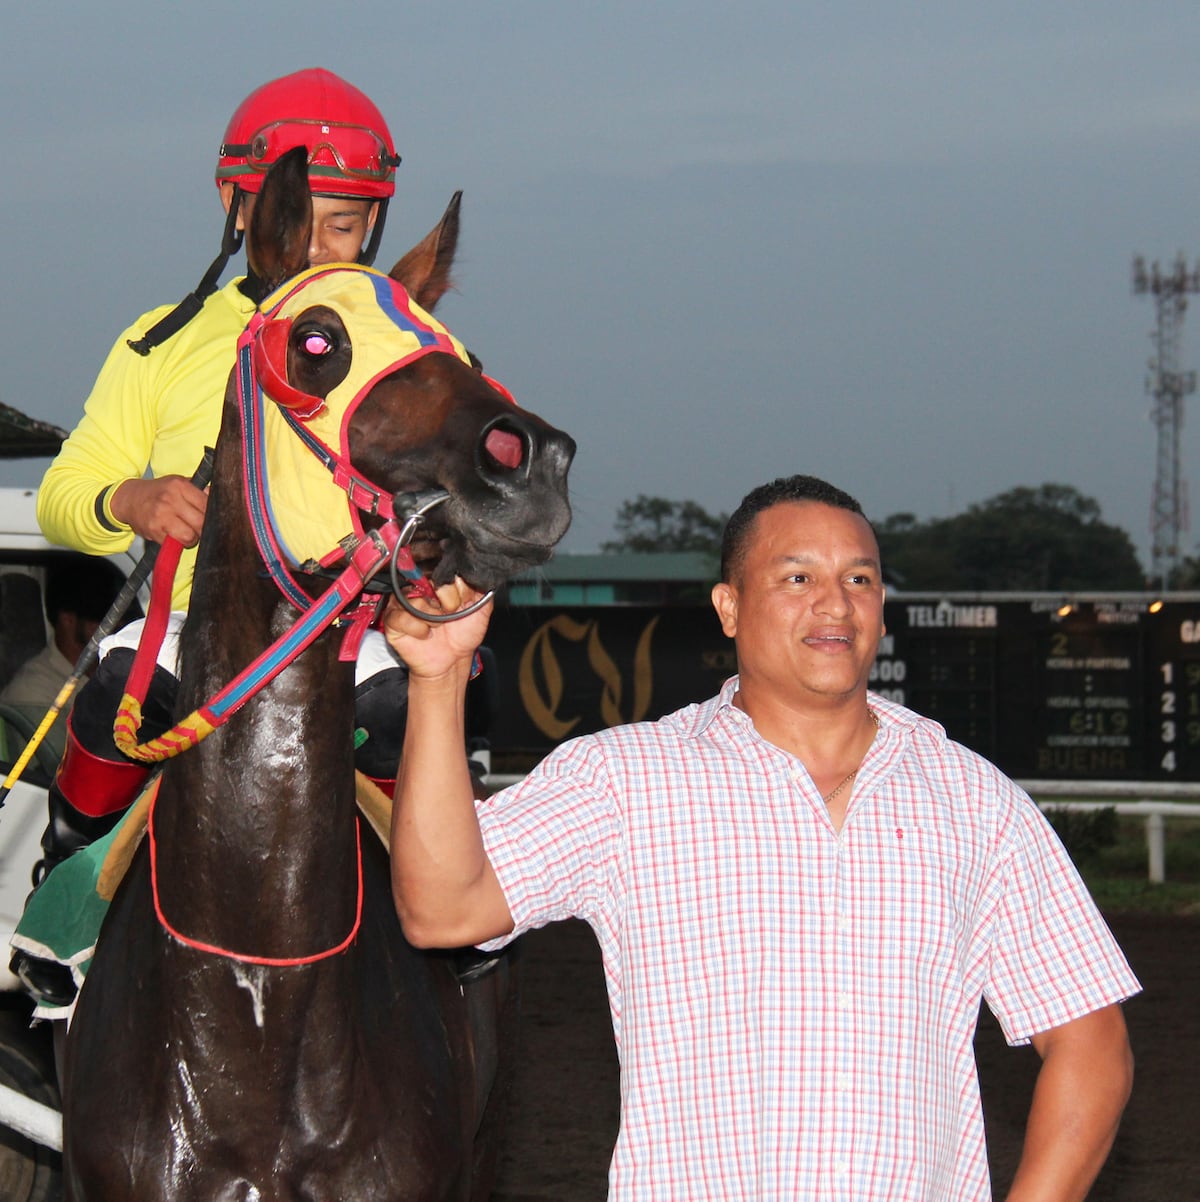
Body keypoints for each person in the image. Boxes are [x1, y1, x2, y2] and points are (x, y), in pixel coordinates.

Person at [384, 473, 1141, 1202]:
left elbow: (1091, 1042)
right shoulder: (626, 780)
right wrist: (440, 679)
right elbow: (445, 910)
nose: (835, 604)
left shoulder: (975, 800)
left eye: (860, 580)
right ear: (730, 606)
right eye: (798, 578)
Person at [13, 68, 414, 1005]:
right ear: (238, 207)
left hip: (340, 633)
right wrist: (133, 499)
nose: (316, 244)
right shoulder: (157, 342)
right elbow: (60, 495)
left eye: (345, 222)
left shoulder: (405, 339)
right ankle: (68, 897)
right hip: (183, 632)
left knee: (406, 718)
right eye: (292, 215)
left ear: (377, 228)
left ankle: (455, 922)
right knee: (107, 692)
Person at [0, 553, 129, 763]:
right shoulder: (33, 693)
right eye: (100, 620)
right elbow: (63, 773)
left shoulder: (114, 668)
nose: (115, 628)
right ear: (68, 620)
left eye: (118, 619)